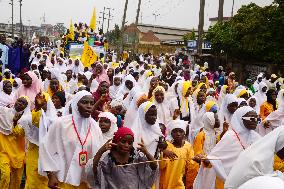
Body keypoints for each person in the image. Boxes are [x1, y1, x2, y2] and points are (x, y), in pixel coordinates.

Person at [40, 91, 104, 188]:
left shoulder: (95, 127)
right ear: (75, 104)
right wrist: (50, 175)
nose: (89, 106)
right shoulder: (61, 123)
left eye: (91, 103)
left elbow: (98, 155)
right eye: (85, 102)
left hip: (86, 181)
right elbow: (46, 148)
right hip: (64, 179)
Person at [193, 106, 260, 189]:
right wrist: (208, 160)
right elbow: (217, 158)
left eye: (257, 119)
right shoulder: (230, 136)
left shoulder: (258, 138)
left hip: (251, 181)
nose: (255, 121)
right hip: (231, 182)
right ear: (240, 118)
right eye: (251, 118)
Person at [90, 127, 158, 189]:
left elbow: (154, 167)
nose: (126, 145)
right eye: (123, 141)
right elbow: (95, 171)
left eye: (130, 143)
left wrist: (147, 153)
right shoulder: (108, 159)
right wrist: (100, 151)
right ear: (116, 141)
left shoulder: (136, 157)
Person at [0, 96, 30, 188]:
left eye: (23, 103)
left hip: (18, 153)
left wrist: (15, 122)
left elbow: (21, 134)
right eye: (19, 101)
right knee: (5, 175)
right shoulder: (4, 112)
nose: (20, 103)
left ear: (26, 107)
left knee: (16, 180)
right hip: (3, 151)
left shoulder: (26, 119)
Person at [160, 120, 198, 189]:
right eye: (175, 131)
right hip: (166, 182)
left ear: (184, 133)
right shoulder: (167, 146)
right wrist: (164, 151)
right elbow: (161, 165)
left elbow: (191, 166)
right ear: (171, 133)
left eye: (180, 131)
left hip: (180, 183)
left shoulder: (188, 146)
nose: (178, 134)